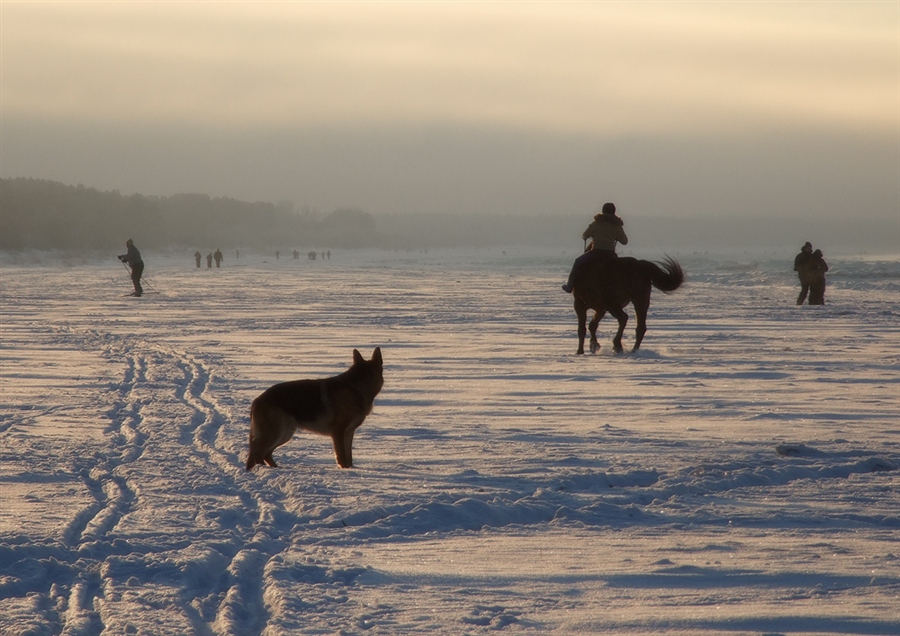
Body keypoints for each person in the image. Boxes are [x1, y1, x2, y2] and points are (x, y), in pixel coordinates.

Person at [562, 202, 628, 293]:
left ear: (602, 211)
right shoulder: (617, 225)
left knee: (578, 261)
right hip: (610, 254)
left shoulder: (596, 223)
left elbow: (584, 235)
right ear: (614, 212)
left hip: (595, 253)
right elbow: (625, 241)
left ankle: (570, 286)